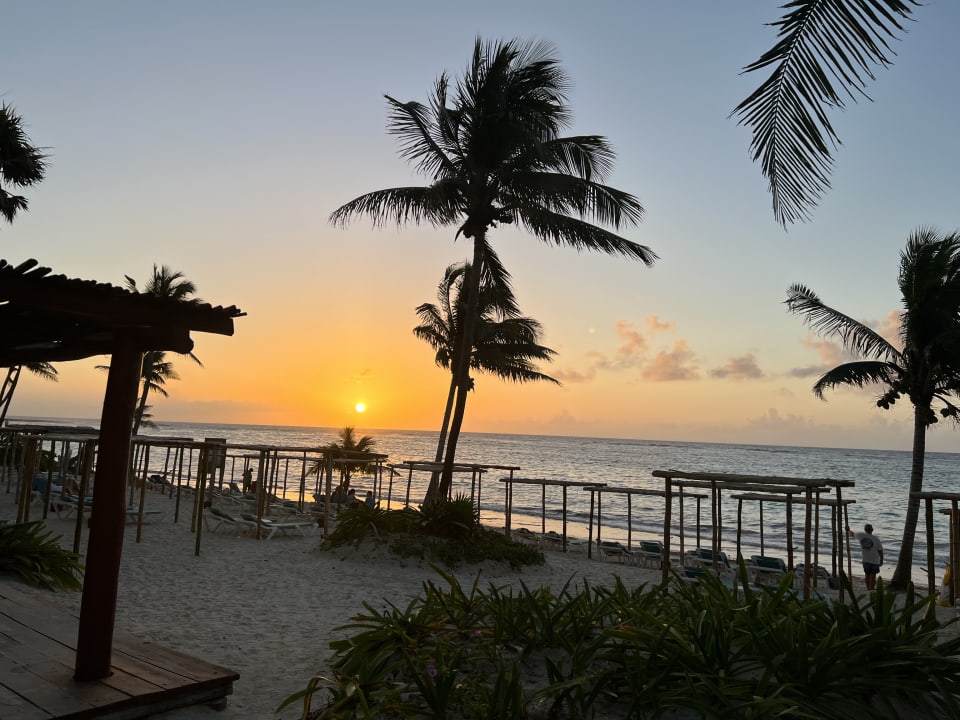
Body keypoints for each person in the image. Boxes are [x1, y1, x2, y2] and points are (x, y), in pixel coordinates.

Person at [849, 523, 884, 591]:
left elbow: (851, 534)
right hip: (875, 560)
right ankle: (871, 589)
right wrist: (881, 560)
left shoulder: (860, 535)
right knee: (873, 576)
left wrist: (848, 530)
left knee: (867, 575)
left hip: (865, 560)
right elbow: (880, 551)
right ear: (872, 530)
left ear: (865, 530)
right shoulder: (876, 539)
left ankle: (868, 588)